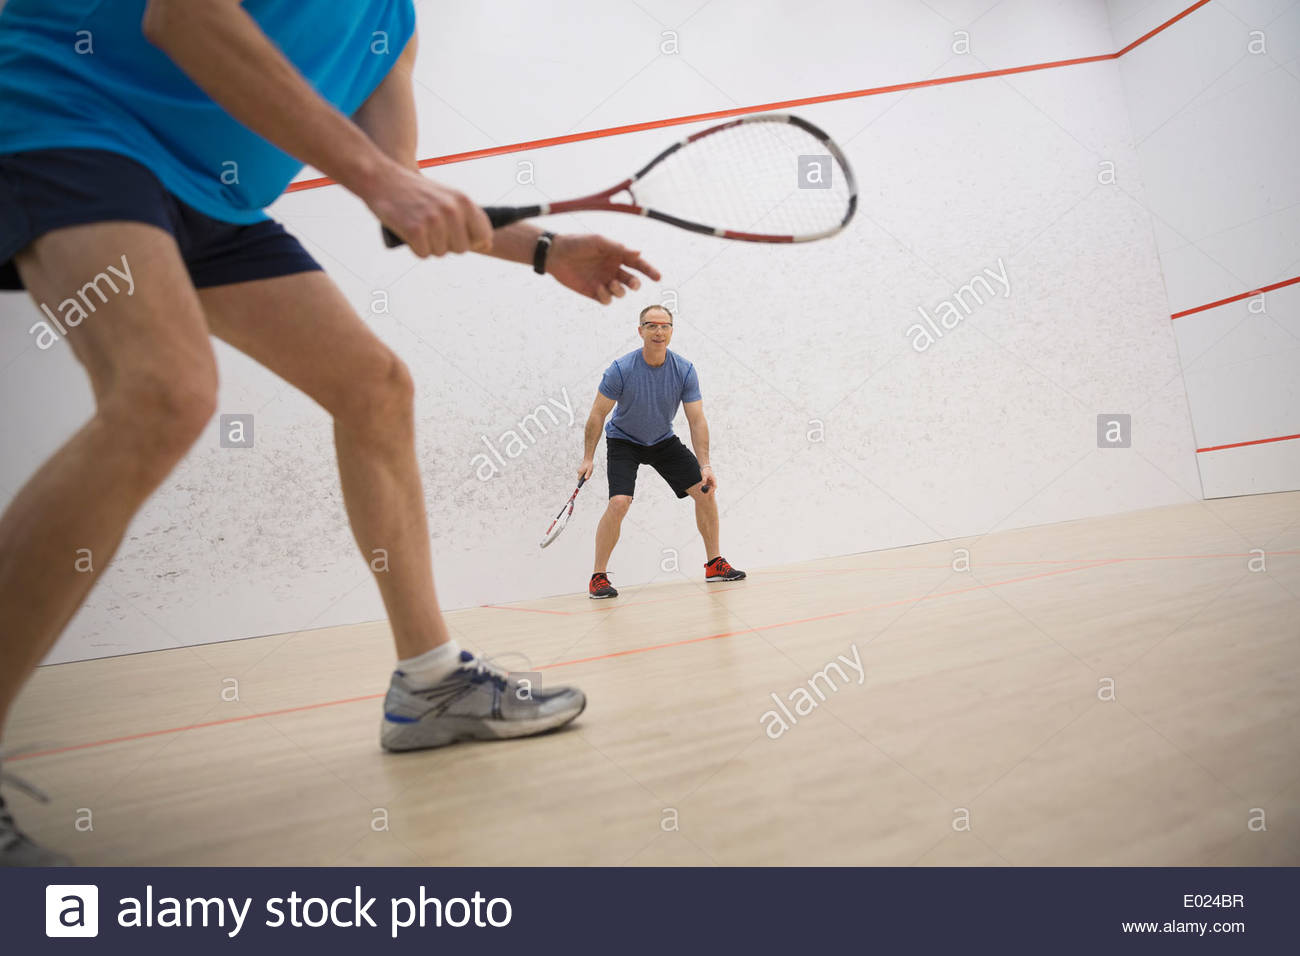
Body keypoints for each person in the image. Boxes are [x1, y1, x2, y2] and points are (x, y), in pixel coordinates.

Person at [0, 0, 661, 866]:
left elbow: (401, 198)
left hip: (209, 196)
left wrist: (545, 248)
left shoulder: (392, 25)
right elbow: (182, 20)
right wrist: (388, 184)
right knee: (166, 390)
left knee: (376, 387)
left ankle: (429, 685)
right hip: (65, 118)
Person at [579, 305, 746, 599]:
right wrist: (588, 458)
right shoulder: (621, 369)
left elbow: (696, 419)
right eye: (651, 325)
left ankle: (714, 564)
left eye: (665, 326)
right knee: (619, 502)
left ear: (671, 331)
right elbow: (597, 414)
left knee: (705, 490)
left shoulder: (684, 369)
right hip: (624, 441)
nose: (658, 331)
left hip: (662, 440)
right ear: (640, 330)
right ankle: (598, 577)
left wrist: (705, 465)